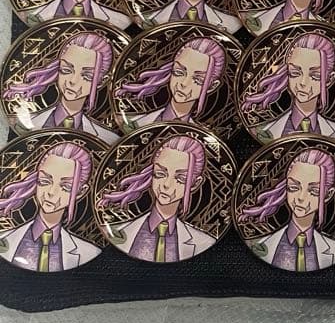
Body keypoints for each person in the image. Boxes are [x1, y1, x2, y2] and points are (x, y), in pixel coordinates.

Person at [99, 135, 216, 262]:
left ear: (195, 183)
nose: (166, 184)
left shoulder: (204, 240)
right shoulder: (115, 231)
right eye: (160, 174)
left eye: (180, 178)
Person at [238, 148, 335, 271]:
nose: (301, 198)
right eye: (293, 187)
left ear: (328, 195)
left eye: (314, 191)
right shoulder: (259, 244)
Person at [0, 142, 101, 271]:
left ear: (81, 191)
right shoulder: (6, 237)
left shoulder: (88, 251)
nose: (51, 192)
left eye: (66, 187)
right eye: (44, 181)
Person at [2, 30, 117, 141]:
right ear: (58, 68)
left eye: (87, 76)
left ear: (102, 81)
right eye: (66, 70)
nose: (73, 81)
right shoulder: (25, 123)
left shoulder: (108, 138)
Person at [241, 32, 335, 143]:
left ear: (330, 79)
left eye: (315, 76)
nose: (303, 83)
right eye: (295, 73)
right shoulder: (262, 131)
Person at [116, 38, 226, 128]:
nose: (184, 83)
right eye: (179, 72)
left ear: (212, 86)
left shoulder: (203, 137)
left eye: (198, 80)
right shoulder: (129, 123)